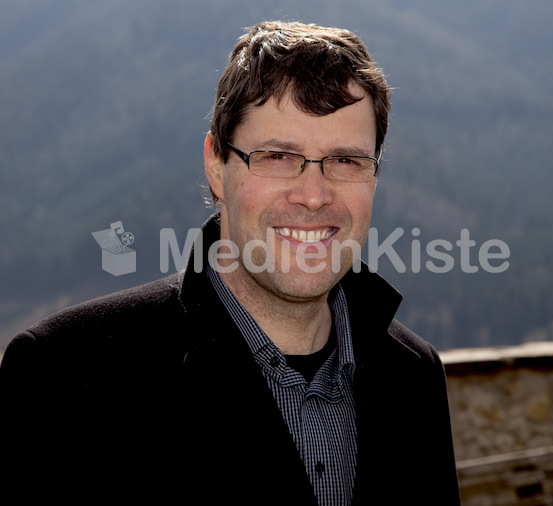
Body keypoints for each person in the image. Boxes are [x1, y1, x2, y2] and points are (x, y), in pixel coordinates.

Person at [0, 21, 460, 505]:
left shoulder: (414, 374)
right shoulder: (64, 376)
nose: (313, 195)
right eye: (279, 156)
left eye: (346, 161)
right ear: (217, 165)